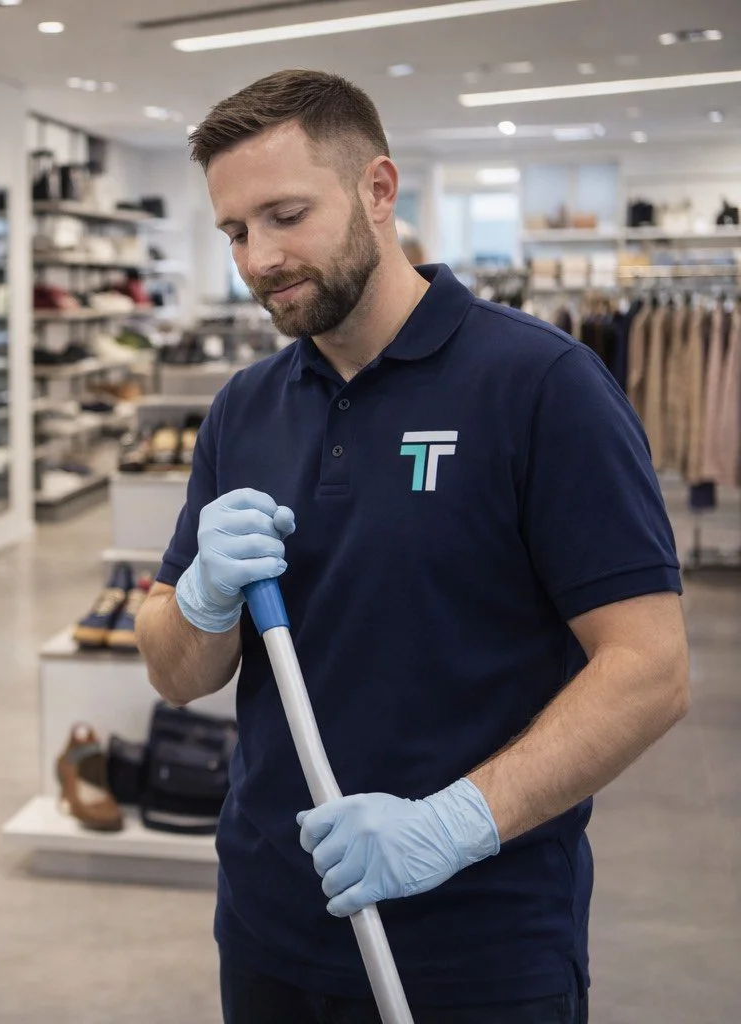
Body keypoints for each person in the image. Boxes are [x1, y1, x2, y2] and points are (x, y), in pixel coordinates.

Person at [135, 70, 689, 1023]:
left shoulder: (543, 385)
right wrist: (197, 604)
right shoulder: (243, 408)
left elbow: (649, 668)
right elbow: (176, 675)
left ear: (379, 191)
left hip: (478, 944)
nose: (259, 258)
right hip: (270, 926)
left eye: (285, 214)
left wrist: (455, 823)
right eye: (235, 231)